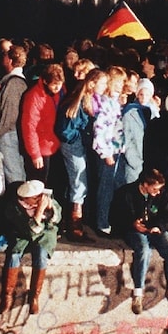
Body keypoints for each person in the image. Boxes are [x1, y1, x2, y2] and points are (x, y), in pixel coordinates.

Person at [109, 168, 168, 315]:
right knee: (144, 250)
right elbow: (115, 217)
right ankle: (138, 292)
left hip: (155, 229)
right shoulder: (126, 193)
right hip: (133, 230)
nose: (158, 192)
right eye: (154, 189)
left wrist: (159, 227)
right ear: (145, 185)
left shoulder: (162, 194)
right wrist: (132, 223)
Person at [0, 179, 63, 314]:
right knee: (14, 255)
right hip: (23, 234)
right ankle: (8, 295)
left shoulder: (47, 200)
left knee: (41, 255)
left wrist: (50, 210)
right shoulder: (14, 208)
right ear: (26, 198)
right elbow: (30, 230)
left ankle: (34, 297)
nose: (39, 200)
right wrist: (39, 213)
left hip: (44, 235)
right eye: (35, 198)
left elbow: (58, 218)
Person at [55, 67, 104, 240]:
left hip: (78, 145)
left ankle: (70, 222)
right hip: (73, 145)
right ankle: (75, 225)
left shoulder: (89, 99)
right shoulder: (78, 100)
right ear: (92, 83)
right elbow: (66, 131)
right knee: (79, 182)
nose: (104, 87)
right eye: (102, 83)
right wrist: (84, 135)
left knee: (76, 182)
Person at [93, 66, 127, 236]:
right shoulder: (106, 103)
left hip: (117, 150)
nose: (121, 85)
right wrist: (106, 153)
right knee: (105, 188)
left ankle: (114, 221)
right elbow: (101, 129)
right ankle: (102, 223)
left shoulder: (114, 102)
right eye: (119, 81)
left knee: (117, 186)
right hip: (108, 152)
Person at [18, 63, 65, 183]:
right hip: (40, 148)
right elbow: (29, 127)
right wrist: (35, 154)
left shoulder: (60, 91)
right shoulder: (33, 97)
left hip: (55, 145)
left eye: (60, 84)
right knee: (38, 184)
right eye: (54, 84)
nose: (57, 88)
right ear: (44, 81)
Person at [0, 44, 28, 186]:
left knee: (14, 174)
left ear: (11, 61)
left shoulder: (14, 84)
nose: (3, 59)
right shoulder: (13, 81)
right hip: (11, 133)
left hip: (8, 134)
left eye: (5, 56)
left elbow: (8, 113)